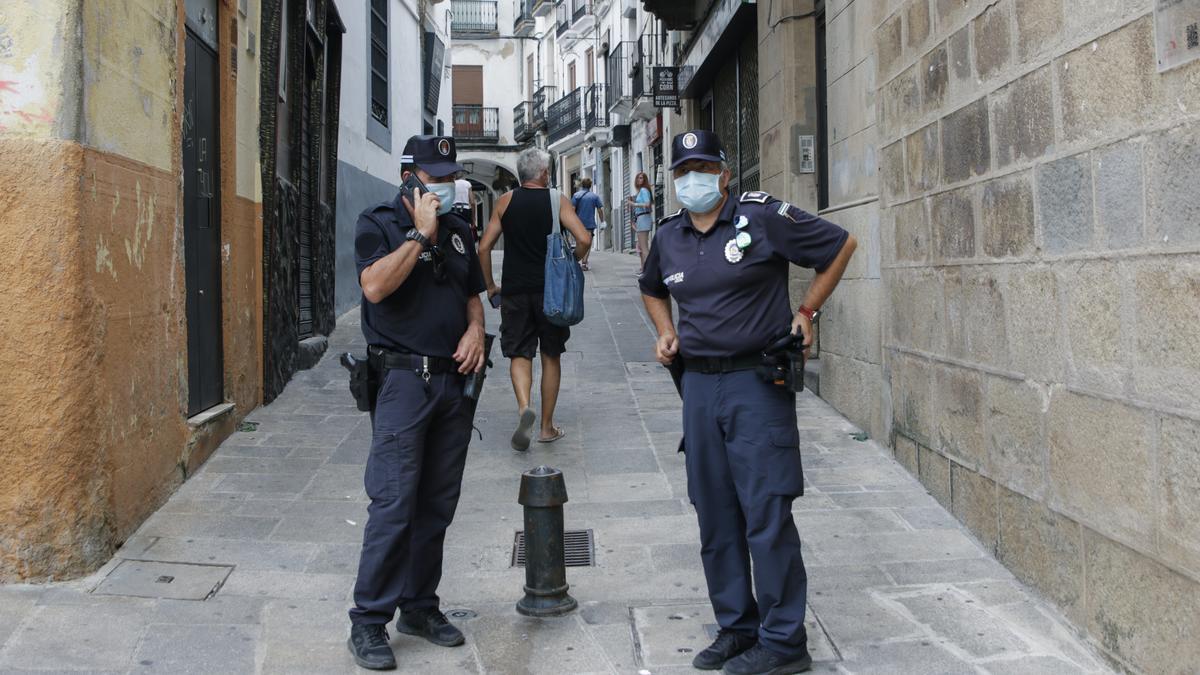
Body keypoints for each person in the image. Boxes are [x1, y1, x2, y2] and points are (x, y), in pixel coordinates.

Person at [639, 130, 856, 675]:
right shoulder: (668, 236)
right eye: (684, 170)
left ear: (724, 174)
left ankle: (784, 642)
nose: (694, 179)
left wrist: (806, 312)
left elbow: (839, 245)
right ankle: (737, 627)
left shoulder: (759, 218)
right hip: (698, 387)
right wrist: (666, 331)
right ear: (674, 181)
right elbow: (650, 288)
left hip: (756, 384)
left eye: (703, 168)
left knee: (766, 511)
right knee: (713, 511)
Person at [346, 135, 488, 671]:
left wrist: (476, 329)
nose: (446, 187)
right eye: (435, 179)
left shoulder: (459, 230)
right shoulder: (377, 223)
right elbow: (376, 287)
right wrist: (419, 236)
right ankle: (368, 620)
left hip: (453, 381)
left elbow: (471, 294)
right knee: (393, 501)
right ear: (408, 178)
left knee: (436, 503)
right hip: (403, 383)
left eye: (450, 177)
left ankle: (420, 607)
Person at [477, 148, 592, 451]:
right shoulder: (558, 201)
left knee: (519, 354)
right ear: (543, 173)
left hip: (514, 291)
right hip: (551, 292)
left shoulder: (505, 201)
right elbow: (584, 239)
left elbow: (484, 247)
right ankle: (546, 427)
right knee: (550, 355)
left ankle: (524, 406)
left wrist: (490, 286)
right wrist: (573, 261)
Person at [571, 177, 604, 271]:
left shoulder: (576, 195)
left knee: (579, 242)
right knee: (588, 244)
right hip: (589, 224)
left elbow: (572, 210)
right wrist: (602, 221)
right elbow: (599, 210)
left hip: (578, 224)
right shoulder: (594, 196)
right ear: (590, 185)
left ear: (582, 185)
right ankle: (584, 263)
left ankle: (576, 261)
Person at [626, 172, 654, 273]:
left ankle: (648, 271)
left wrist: (633, 204)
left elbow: (647, 204)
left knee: (644, 247)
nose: (639, 180)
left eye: (641, 178)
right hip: (642, 218)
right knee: (643, 247)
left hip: (643, 218)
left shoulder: (643, 190)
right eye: (638, 178)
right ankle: (647, 270)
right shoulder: (642, 191)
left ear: (645, 180)